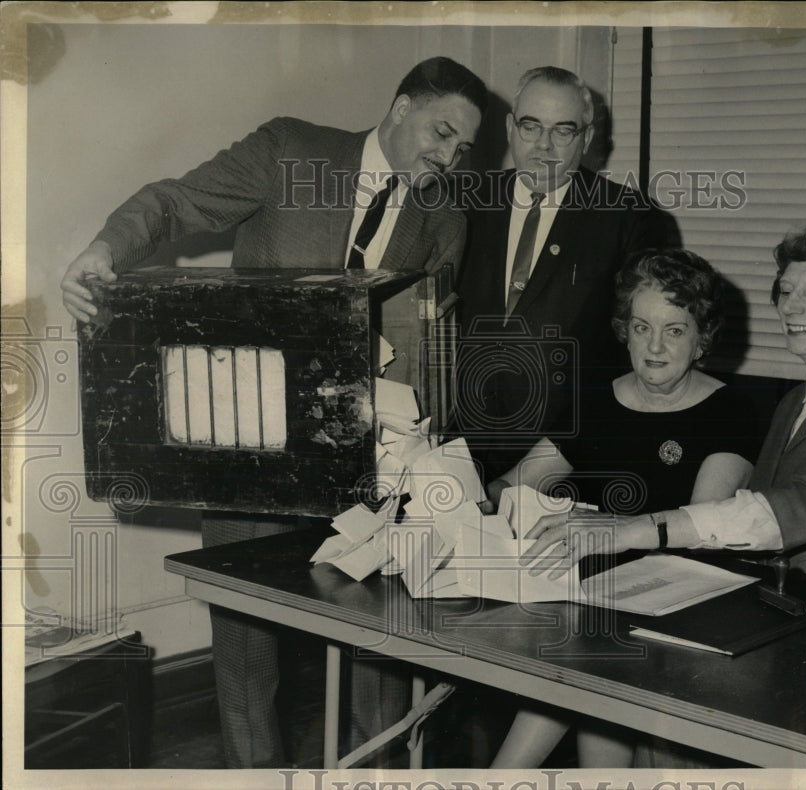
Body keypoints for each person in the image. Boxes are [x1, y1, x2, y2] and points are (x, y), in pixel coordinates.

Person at [60, 56, 489, 768]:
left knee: (376, 668)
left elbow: (430, 340)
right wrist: (106, 249)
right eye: (440, 133)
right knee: (247, 661)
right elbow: (173, 203)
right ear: (402, 105)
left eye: (462, 148)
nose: (446, 157)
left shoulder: (445, 212)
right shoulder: (291, 150)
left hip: (369, 465)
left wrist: (424, 456)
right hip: (251, 453)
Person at [522, 223, 806, 607]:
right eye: (787, 291)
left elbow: (796, 509)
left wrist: (629, 530)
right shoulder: (794, 404)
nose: (791, 306)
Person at [486, 249, 760, 768]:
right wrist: (455, 491)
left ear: (703, 337)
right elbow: (513, 486)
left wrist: (603, 526)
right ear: (623, 330)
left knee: (578, 673)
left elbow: (699, 531)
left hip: (681, 613)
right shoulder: (595, 400)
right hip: (587, 604)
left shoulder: (730, 410)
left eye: (674, 330)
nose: (654, 346)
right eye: (641, 327)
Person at [452, 66, 681, 483]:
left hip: (565, 456)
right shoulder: (462, 203)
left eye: (563, 131)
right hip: (457, 447)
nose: (544, 145)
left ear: (587, 138)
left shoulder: (630, 218)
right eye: (531, 126)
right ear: (509, 127)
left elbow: (633, 356)